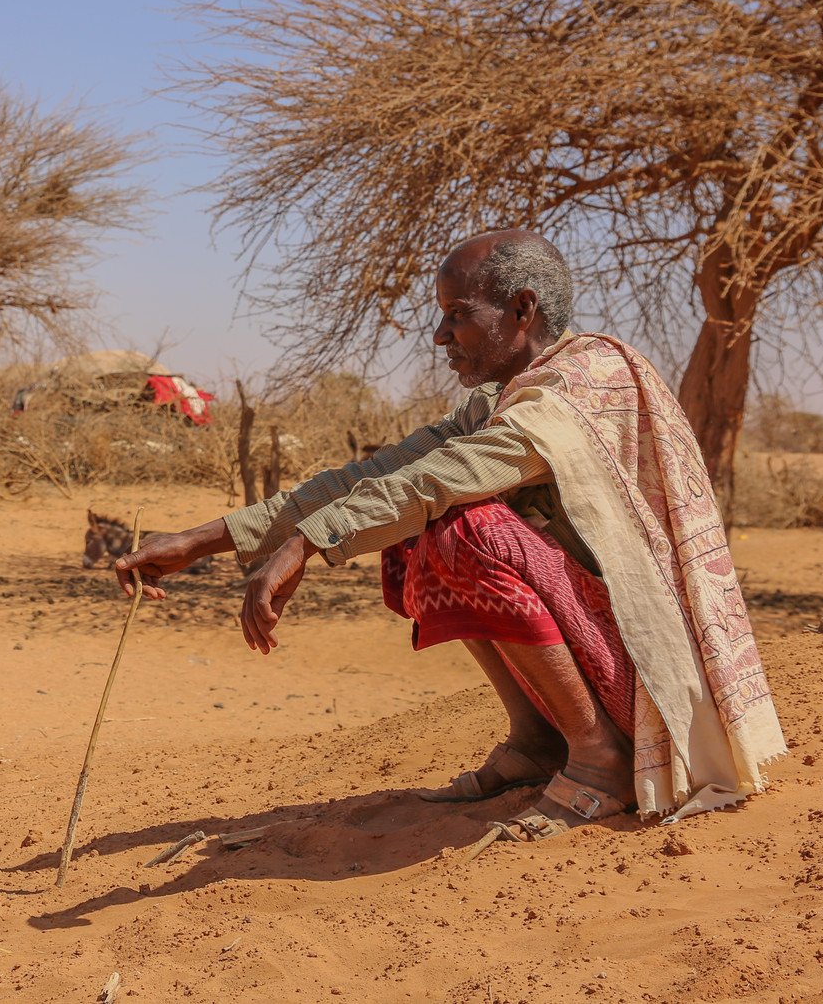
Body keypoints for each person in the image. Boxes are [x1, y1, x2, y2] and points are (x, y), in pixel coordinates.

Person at [115, 231, 784, 839]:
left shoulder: (567, 397)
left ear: (522, 310)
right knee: (415, 525)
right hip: (597, 647)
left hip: (647, 686)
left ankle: (600, 758)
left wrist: (307, 544)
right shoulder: (504, 396)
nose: (441, 336)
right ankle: (536, 742)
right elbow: (374, 476)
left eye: (458, 315)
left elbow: (436, 482)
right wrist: (199, 541)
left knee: (464, 525)